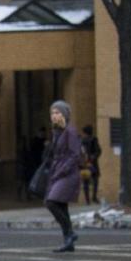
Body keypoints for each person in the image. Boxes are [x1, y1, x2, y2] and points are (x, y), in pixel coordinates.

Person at [44, 100, 82, 252]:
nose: (54, 116)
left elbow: (75, 155)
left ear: (65, 114)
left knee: (51, 202)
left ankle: (71, 233)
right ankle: (68, 241)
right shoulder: (57, 132)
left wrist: (62, 171)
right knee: (61, 205)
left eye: (58, 112)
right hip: (58, 173)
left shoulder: (70, 132)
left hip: (68, 174)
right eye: (52, 113)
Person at [80, 125, 101, 206]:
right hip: (92, 163)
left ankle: (87, 200)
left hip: (84, 164)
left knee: (86, 182)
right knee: (95, 180)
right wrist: (93, 157)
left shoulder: (82, 141)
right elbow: (98, 151)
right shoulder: (94, 139)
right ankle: (94, 197)